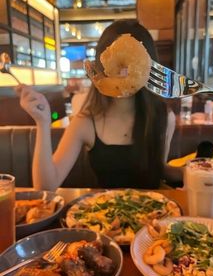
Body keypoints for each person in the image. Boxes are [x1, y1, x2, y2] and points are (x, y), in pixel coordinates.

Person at [17, 19, 182, 191]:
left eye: (134, 62)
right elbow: (46, 186)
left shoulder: (163, 117)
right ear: (101, 65)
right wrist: (42, 123)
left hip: (156, 214)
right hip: (103, 214)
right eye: (116, 61)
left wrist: (192, 173)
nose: (124, 72)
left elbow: (159, 169)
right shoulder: (86, 122)